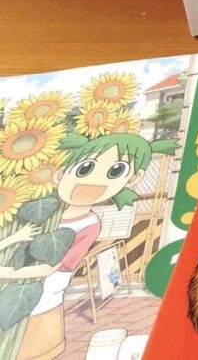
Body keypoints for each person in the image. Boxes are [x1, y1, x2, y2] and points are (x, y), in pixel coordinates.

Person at [0, 133, 177, 360]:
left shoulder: (89, 224)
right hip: (14, 288)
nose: (93, 183)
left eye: (115, 172)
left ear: (133, 179)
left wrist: (5, 272)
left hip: (45, 295)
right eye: (84, 169)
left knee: (33, 348)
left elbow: (52, 267)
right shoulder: (41, 210)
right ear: (59, 174)